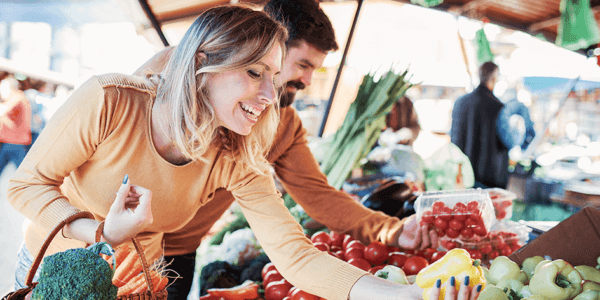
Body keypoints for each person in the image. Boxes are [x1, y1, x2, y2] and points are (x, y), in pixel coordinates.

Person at [6, 5, 479, 300]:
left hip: (140, 282)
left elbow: (295, 254)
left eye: (274, 77)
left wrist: (405, 296)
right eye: (255, 73)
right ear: (201, 63)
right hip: (55, 265)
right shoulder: (110, 99)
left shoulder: (237, 153)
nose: (271, 94)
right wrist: (101, 230)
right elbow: (26, 186)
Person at [450, 61, 526, 189]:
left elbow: (454, 140)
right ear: (495, 78)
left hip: (463, 176)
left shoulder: (460, 103)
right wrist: (518, 130)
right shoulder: (499, 107)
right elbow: (510, 141)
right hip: (490, 180)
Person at [0, 76, 32, 175]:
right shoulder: (18, 97)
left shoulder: (17, 96)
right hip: (11, 141)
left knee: (23, 177)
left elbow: (2, 111)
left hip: (15, 142)